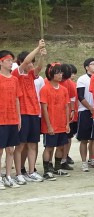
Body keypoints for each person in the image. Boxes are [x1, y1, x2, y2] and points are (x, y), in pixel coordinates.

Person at [12, 40, 46, 184]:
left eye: (32, 62)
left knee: (32, 144)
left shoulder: (32, 75)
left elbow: (39, 66)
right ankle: (19, 172)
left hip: (34, 112)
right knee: (20, 145)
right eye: (29, 62)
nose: (31, 64)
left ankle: (31, 171)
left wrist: (42, 55)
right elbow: (26, 61)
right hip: (23, 113)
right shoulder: (16, 73)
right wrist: (37, 47)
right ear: (21, 62)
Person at [40, 62, 70, 180]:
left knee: (61, 147)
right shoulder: (45, 89)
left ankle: (57, 168)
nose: (61, 74)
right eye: (58, 72)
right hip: (51, 124)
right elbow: (44, 108)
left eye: (61, 72)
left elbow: (67, 107)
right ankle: (47, 171)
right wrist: (49, 126)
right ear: (51, 74)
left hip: (62, 124)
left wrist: (67, 123)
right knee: (49, 147)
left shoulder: (63, 89)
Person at [0, 50, 22, 189]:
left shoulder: (15, 79)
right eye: (8, 60)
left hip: (12, 118)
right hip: (1, 119)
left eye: (12, 61)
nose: (11, 63)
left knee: (10, 150)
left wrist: (19, 117)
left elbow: (17, 99)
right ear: (1, 62)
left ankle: (8, 176)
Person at [77, 58, 94, 172]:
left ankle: (92, 159)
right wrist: (90, 108)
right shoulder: (82, 79)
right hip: (85, 111)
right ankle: (84, 161)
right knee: (84, 139)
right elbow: (80, 96)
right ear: (86, 67)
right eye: (92, 64)